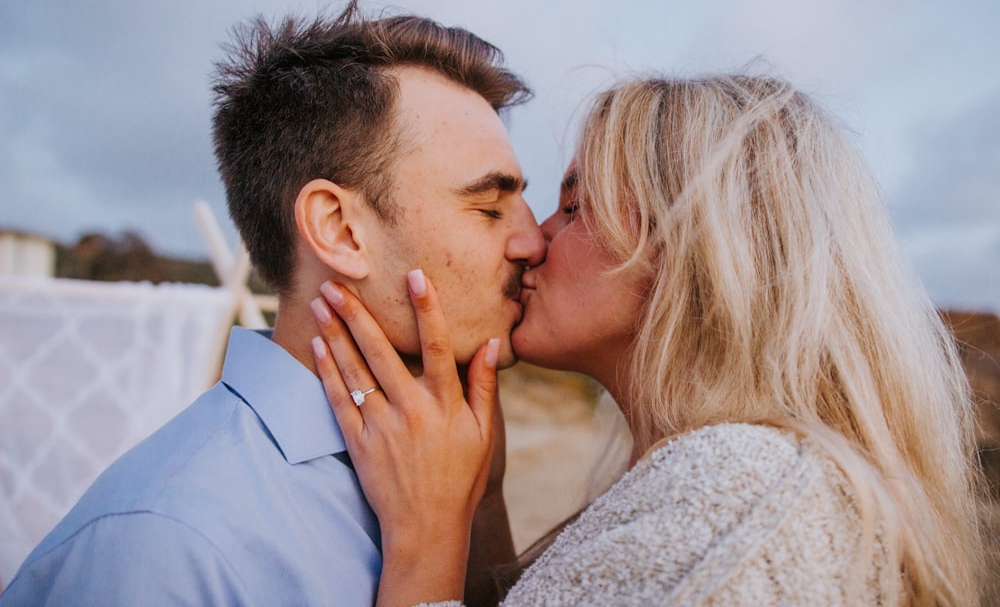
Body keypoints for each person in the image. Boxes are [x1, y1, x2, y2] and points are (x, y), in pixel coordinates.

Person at [311, 73, 985, 605]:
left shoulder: (741, 503)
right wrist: (479, 500)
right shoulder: (720, 478)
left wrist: (423, 547)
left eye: (575, 207)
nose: (531, 239)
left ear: (697, 247)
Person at [0, 0, 544, 605]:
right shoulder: (171, 546)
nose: (532, 240)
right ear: (339, 230)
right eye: (489, 206)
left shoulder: (445, 463)